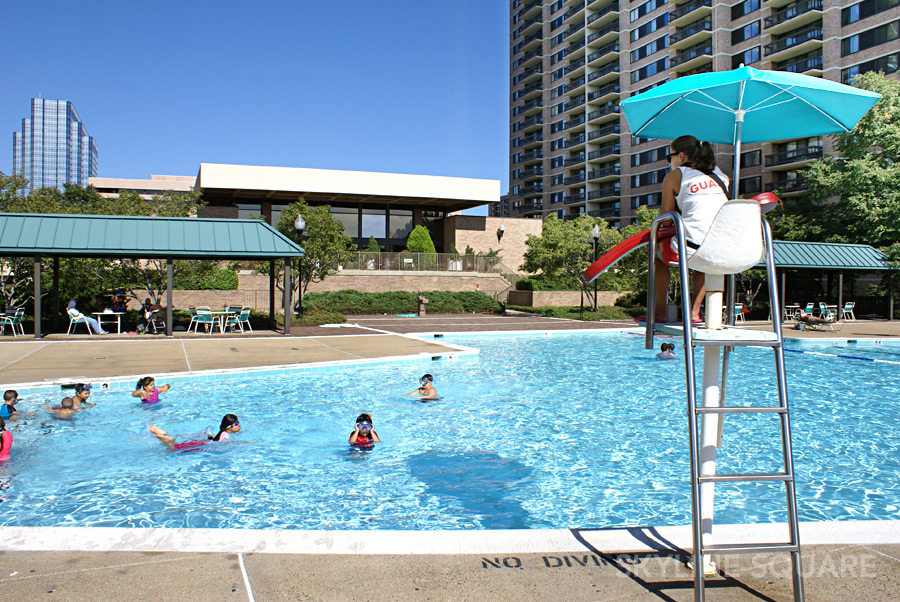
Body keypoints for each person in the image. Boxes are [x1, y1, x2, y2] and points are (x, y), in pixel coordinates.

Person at [644, 136, 730, 325]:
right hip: (721, 247)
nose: (670, 162)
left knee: (655, 252)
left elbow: (665, 221)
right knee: (704, 256)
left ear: (681, 156)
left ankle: (659, 312)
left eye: (670, 157)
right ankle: (694, 312)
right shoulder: (722, 176)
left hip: (690, 247)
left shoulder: (676, 175)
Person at [148, 414, 241, 452]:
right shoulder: (226, 435)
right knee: (172, 449)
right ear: (229, 427)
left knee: (181, 445)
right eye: (237, 423)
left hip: (204, 442)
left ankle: (163, 434)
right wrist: (235, 444)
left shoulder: (221, 432)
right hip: (204, 445)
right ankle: (169, 441)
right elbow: (224, 441)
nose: (239, 425)